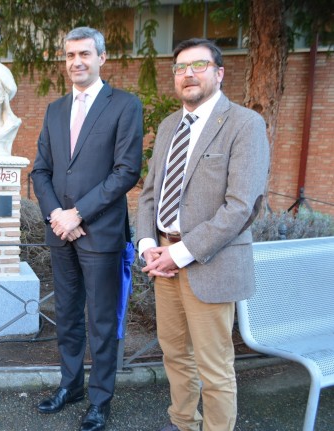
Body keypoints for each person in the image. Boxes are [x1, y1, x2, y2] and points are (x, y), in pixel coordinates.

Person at [136, 38, 269, 431]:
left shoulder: (245, 124)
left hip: (210, 263)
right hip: (162, 259)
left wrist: (180, 253)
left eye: (198, 65)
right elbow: (149, 194)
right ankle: (182, 422)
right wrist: (147, 246)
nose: (188, 74)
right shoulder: (167, 127)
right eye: (180, 67)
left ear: (219, 72)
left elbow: (242, 206)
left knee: (214, 367)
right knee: (174, 354)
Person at [31, 27, 143, 431]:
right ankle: (71, 385)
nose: (76, 61)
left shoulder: (124, 106)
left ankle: (100, 400)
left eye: (84, 54)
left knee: (100, 320)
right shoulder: (54, 109)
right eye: (69, 55)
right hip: (61, 233)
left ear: (102, 58)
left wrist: (79, 213)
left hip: (100, 234)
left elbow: (126, 171)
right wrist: (58, 216)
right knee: (67, 316)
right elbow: (40, 170)